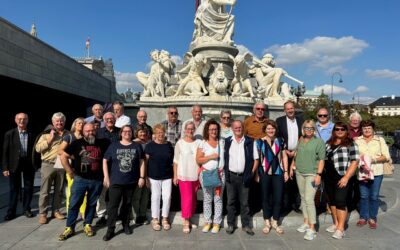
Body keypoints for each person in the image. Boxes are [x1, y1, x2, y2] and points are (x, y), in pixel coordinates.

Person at [58, 123, 110, 241]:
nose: (90, 133)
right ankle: (69, 227)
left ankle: (87, 224)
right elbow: (63, 156)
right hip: (80, 179)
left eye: (92, 130)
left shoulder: (103, 143)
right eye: (87, 131)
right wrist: (69, 171)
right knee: (74, 204)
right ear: (83, 132)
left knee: (91, 204)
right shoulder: (76, 143)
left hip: (96, 179)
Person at [102, 125, 146, 241]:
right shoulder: (114, 145)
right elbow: (105, 160)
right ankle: (110, 230)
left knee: (127, 205)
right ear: (121, 133)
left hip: (131, 181)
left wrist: (142, 177)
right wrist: (106, 176)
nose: (127, 133)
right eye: (125, 131)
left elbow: (141, 162)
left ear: (132, 133)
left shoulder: (137, 146)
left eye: (129, 131)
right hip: (115, 181)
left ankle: (125, 225)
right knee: (113, 206)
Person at [290, 120, 325, 241]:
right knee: (303, 198)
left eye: (311, 128)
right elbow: (297, 154)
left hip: (312, 173)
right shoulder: (301, 140)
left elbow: (321, 160)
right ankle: (306, 222)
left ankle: (312, 228)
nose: (308, 130)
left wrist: (319, 175)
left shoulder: (319, 142)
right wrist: (291, 167)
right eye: (306, 128)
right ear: (303, 129)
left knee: (309, 200)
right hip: (299, 172)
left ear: (314, 129)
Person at [324, 122, 359, 239]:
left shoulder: (351, 144)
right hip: (328, 177)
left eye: (342, 129)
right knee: (332, 201)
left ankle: (341, 228)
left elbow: (355, 162)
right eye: (337, 129)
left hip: (341, 176)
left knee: (340, 201)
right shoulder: (328, 144)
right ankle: (335, 224)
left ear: (346, 131)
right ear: (334, 131)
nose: (339, 131)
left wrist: (346, 177)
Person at [224, 120, 258, 235]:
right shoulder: (228, 141)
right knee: (230, 202)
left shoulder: (249, 141)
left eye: (240, 127)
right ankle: (230, 224)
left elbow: (256, 159)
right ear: (232, 129)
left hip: (245, 176)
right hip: (231, 176)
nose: (238, 129)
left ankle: (246, 225)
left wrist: (251, 173)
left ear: (242, 128)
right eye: (236, 127)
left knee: (245, 202)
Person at [355, 120, 390, 229]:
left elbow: (386, 156)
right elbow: (353, 156)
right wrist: (361, 162)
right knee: (364, 195)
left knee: (374, 196)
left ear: (373, 129)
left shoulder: (380, 140)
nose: (367, 130)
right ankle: (363, 217)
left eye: (369, 128)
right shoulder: (357, 140)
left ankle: (372, 217)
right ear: (361, 129)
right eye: (364, 128)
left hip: (376, 172)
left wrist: (372, 160)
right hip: (362, 172)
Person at [35, 112, 69, 224]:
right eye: (57, 121)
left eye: (61, 121)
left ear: (64, 122)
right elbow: (38, 148)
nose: (59, 123)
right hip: (48, 164)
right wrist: (49, 139)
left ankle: (56, 211)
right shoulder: (46, 133)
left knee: (58, 190)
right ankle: (43, 214)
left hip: (61, 164)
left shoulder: (68, 134)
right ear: (53, 122)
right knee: (45, 191)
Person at [256, 120, 288, 235]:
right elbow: (257, 159)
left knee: (278, 198)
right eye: (268, 128)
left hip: (278, 172)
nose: (271, 130)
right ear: (265, 129)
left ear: (275, 129)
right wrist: (256, 174)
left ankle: (275, 221)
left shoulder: (280, 140)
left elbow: (284, 156)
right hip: (264, 172)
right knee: (265, 198)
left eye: (272, 128)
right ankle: (267, 222)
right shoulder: (259, 142)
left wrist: (286, 171)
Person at [2, 113, 36, 220]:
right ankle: (11, 212)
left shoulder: (32, 133)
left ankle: (27, 209)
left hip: (28, 163)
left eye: (24, 119)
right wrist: (5, 168)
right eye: (20, 119)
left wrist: (36, 164)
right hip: (14, 164)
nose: (22, 121)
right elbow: (5, 152)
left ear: (27, 120)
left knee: (28, 187)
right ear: (15, 120)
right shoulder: (10, 134)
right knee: (14, 189)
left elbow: (36, 151)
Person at [196, 120, 225, 234]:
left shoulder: (222, 142)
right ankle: (208, 222)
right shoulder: (202, 143)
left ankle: (217, 223)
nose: (214, 131)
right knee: (207, 199)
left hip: (219, 174)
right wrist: (211, 156)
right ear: (207, 131)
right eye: (211, 129)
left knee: (218, 199)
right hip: (206, 174)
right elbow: (198, 159)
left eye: (215, 129)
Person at [173, 121, 201, 233]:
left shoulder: (199, 142)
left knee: (193, 198)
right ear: (184, 130)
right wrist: (175, 176)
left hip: (195, 175)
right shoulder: (179, 143)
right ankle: (186, 221)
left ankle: (190, 218)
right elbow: (175, 161)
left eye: (192, 129)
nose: (190, 131)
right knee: (187, 198)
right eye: (188, 129)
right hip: (183, 175)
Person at [145, 124, 174, 231]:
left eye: (162, 132)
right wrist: (145, 177)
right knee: (155, 197)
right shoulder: (150, 146)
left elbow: (172, 161)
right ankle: (155, 218)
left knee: (167, 197)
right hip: (153, 176)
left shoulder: (169, 145)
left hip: (167, 176)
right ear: (155, 134)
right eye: (158, 133)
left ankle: (165, 218)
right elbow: (146, 162)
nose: (160, 134)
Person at [276, 100, 303, 213]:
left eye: (292, 108)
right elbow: (278, 137)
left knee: (297, 180)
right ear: (285, 110)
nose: (290, 110)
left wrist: (296, 150)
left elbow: (303, 136)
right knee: (285, 180)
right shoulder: (280, 121)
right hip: (284, 154)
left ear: (294, 109)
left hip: (298, 154)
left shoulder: (301, 120)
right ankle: (286, 205)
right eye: (288, 109)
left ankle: (296, 205)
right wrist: (285, 149)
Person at [95, 111, 120, 225]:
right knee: (102, 192)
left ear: (115, 120)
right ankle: (101, 215)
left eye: (112, 118)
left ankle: (115, 213)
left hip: (117, 166)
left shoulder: (120, 131)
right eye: (107, 119)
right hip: (101, 166)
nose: (110, 120)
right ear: (104, 121)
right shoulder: (98, 132)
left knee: (116, 191)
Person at [243, 102, 268, 214]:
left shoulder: (268, 122)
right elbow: (242, 137)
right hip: (251, 155)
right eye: (258, 108)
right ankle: (251, 205)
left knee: (262, 180)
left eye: (262, 109)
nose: (260, 110)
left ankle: (262, 204)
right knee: (251, 179)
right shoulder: (247, 121)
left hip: (264, 155)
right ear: (254, 110)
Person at [59, 117, 86, 219]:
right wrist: (72, 155)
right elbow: (60, 151)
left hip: (84, 169)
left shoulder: (86, 136)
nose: (81, 125)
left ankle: (83, 212)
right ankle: (71, 212)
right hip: (72, 168)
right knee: (72, 192)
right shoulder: (69, 136)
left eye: (83, 123)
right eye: (79, 123)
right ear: (75, 125)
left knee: (85, 193)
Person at [132, 125, 151, 225]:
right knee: (137, 196)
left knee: (145, 196)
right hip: (136, 174)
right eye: (140, 132)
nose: (143, 134)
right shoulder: (133, 143)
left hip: (148, 173)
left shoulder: (149, 143)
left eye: (144, 132)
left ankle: (143, 215)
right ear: (136, 133)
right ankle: (136, 216)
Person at [347, 112, 362, 212]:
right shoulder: (346, 129)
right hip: (349, 159)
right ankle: (348, 204)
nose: (355, 121)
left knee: (359, 184)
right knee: (348, 183)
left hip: (361, 161)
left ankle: (357, 203)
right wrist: (352, 139)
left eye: (357, 119)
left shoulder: (363, 129)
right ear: (350, 120)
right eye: (353, 119)